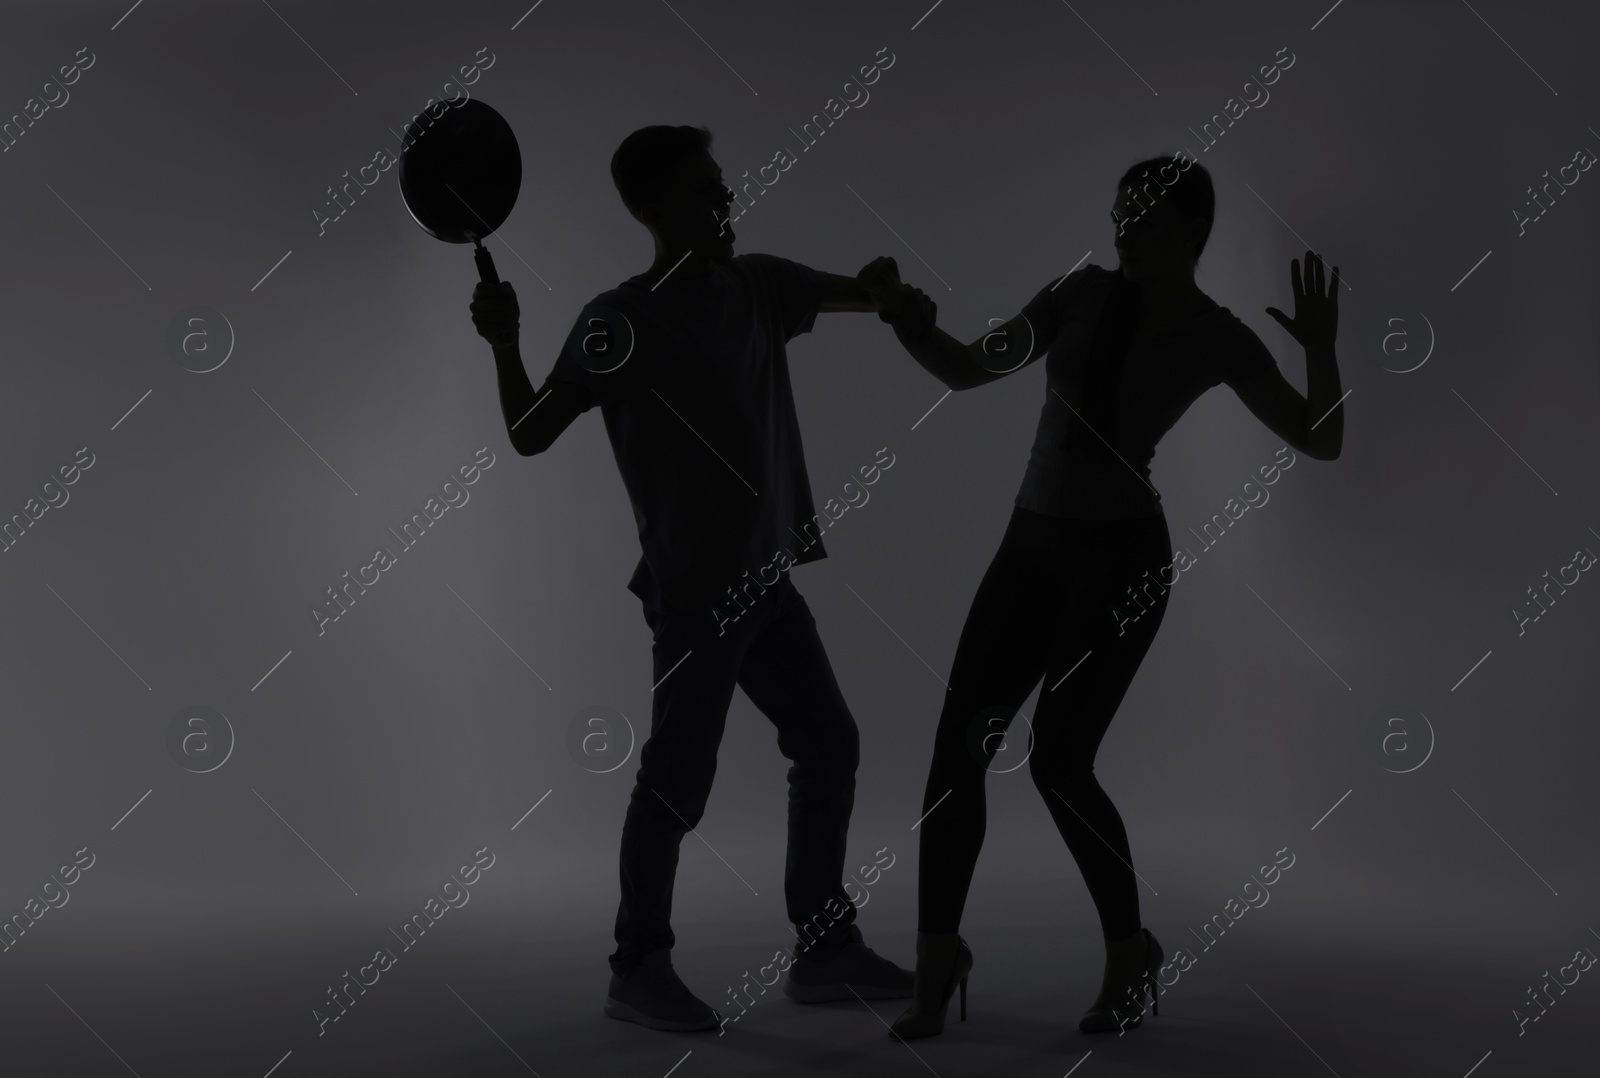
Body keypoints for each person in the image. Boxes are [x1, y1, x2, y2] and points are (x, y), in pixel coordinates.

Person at [859, 152, 1343, 1038]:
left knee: (1057, 762)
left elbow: (1320, 439)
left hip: (1121, 562)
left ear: (1193, 232)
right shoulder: (1075, 292)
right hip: (1031, 549)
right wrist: (903, 323)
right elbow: (969, 368)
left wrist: (1319, 349)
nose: (1124, 232)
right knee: (955, 759)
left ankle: (1130, 954)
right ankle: (935, 971)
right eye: (1118, 215)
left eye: (1146, 219)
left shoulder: (1216, 333)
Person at [468, 124, 913, 1033]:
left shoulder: (761, 284)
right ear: (650, 209)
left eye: (724, 186)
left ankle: (825, 949)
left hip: (767, 581)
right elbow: (530, 432)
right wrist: (505, 345)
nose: (726, 201)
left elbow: (863, 294)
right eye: (707, 191)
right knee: (677, 782)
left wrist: (884, 291)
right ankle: (637, 969)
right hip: (698, 596)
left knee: (827, 742)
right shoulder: (617, 322)